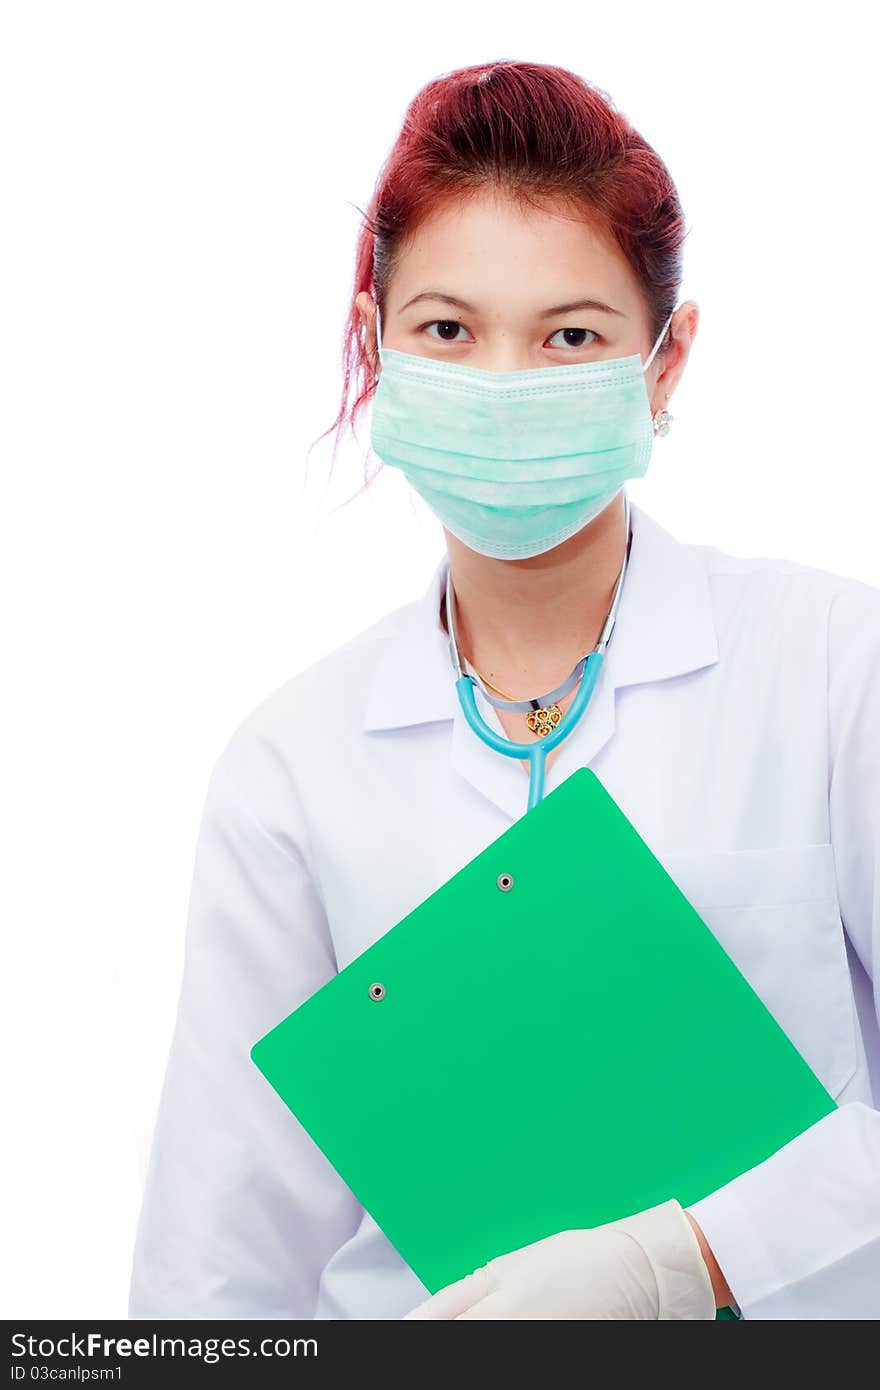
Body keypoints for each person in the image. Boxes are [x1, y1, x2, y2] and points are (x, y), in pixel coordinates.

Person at [127, 59, 880, 1321]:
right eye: (448, 331)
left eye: (570, 335)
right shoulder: (292, 768)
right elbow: (217, 1260)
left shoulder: (829, 666)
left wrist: (684, 1260)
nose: (506, 386)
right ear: (377, 346)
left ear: (666, 358)